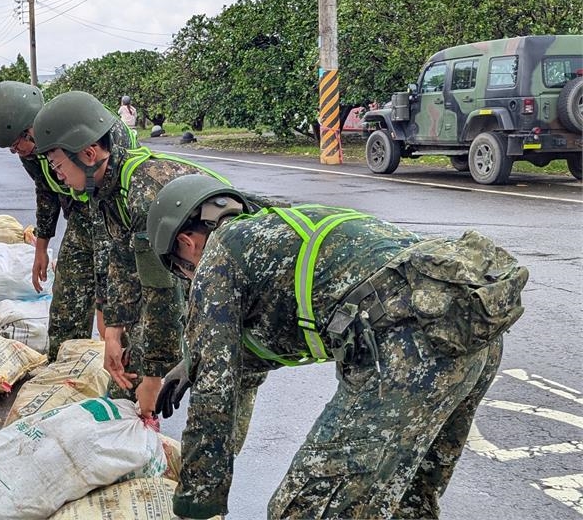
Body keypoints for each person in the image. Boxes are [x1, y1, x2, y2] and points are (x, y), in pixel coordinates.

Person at [146, 174, 529, 519]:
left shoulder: (218, 255)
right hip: (469, 328)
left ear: (186, 242)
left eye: (182, 271)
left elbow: (215, 392)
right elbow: (248, 362)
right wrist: (194, 359)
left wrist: (196, 505)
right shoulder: (277, 229)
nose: (190, 279)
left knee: (304, 509)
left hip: (408, 349)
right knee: (405, 503)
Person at [32, 91, 260, 418]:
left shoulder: (144, 194)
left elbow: (162, 294)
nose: (58, 177)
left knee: (220, 400)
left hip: (247, 280)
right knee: (127, 378)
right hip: (199, 272)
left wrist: (153, 377)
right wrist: (113, 333)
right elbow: (120, 264)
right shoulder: (106, 188)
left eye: (58, 165)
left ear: (89, 153)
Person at [0, 81, 108, 359]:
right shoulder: (34, 151)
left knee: (117, 316)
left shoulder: (83, 131)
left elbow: (113, 250)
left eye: (17, 145)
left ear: (31, 127)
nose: (18, 153)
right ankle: (64, 368)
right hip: (82, 218)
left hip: (115, 216)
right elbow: (46, 191)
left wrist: (104, 303)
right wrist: (41, 246)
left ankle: (131, 393)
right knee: (67, 299)